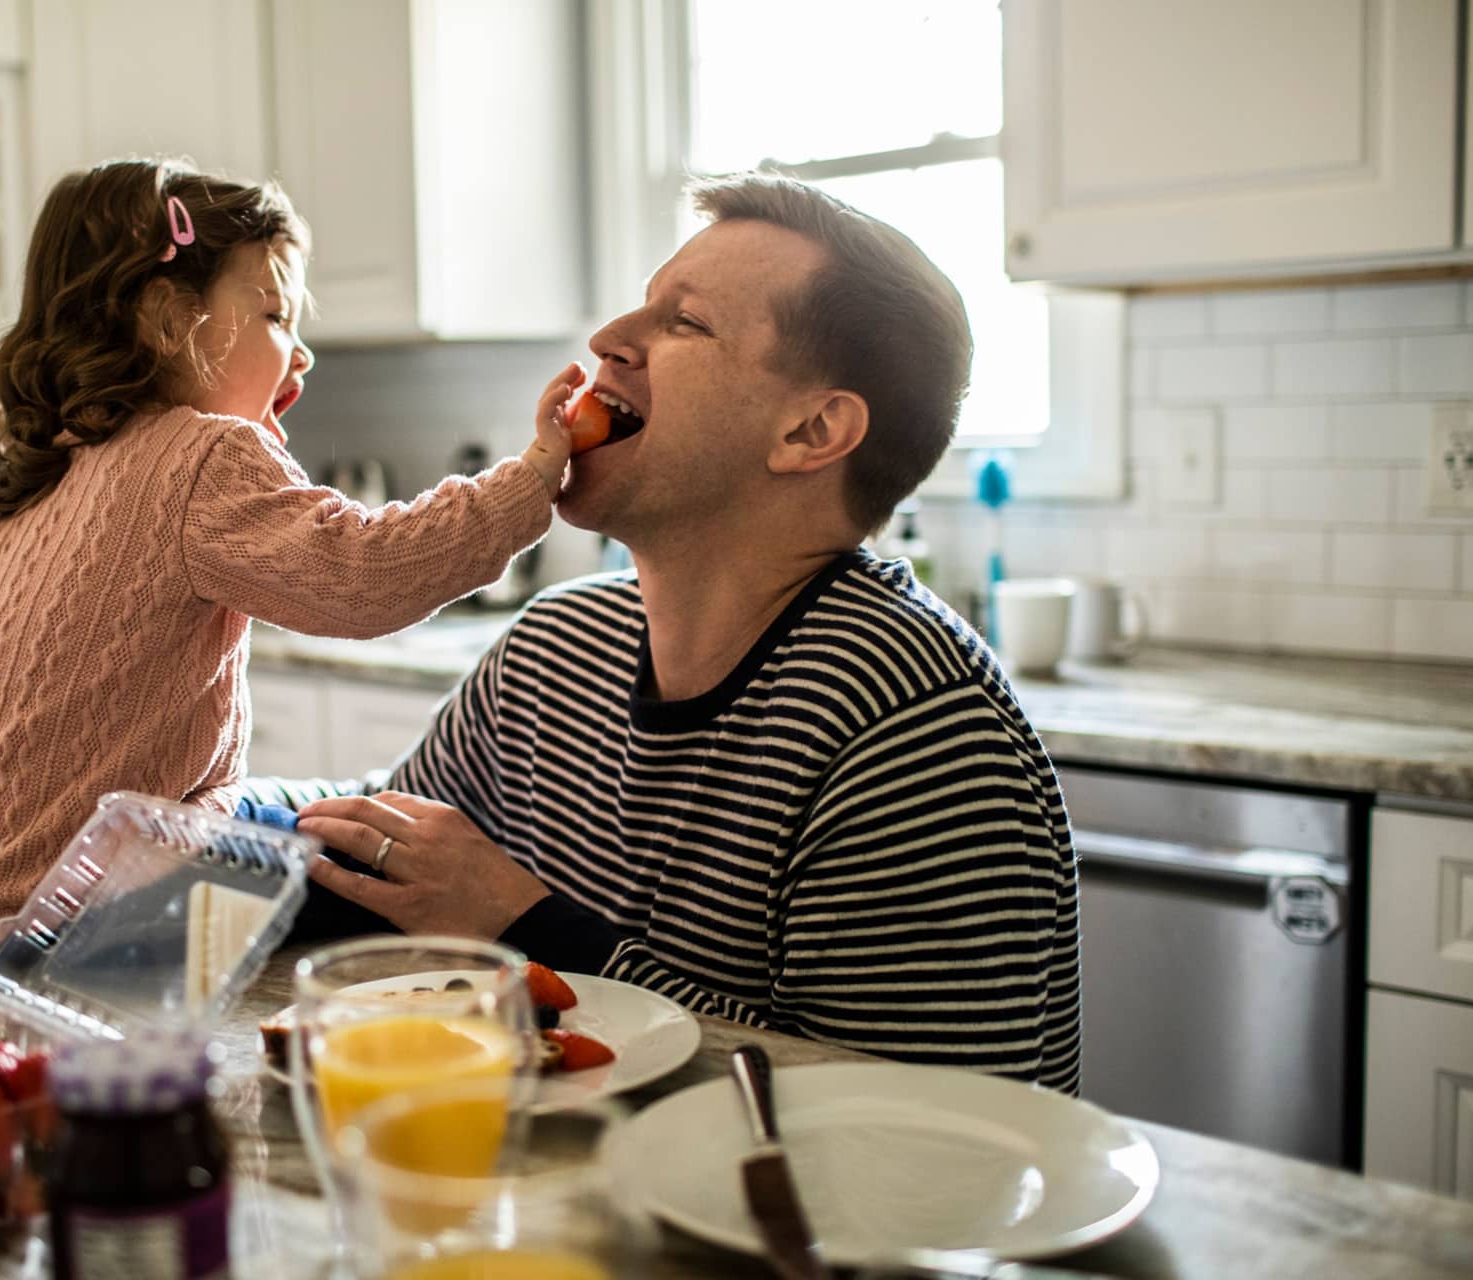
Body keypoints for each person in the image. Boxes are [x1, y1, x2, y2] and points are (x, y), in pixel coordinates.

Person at [255, 174, 1080, 1091]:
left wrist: (523, 924)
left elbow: (897, 1120)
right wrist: (185, 813)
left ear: (811, 430)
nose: (609, 339)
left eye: (684, 322)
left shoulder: (915, 731)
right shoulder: (560, 645)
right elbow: (389, 845)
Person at [0, 158, 579, 942]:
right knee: (402, 863)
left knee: (309, 808)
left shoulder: (4, 501)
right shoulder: (199, 457)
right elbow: (363, 575)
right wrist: (530, 480)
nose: (301, 353)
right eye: (275, 316)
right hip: (122, 897)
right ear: (166, 317)